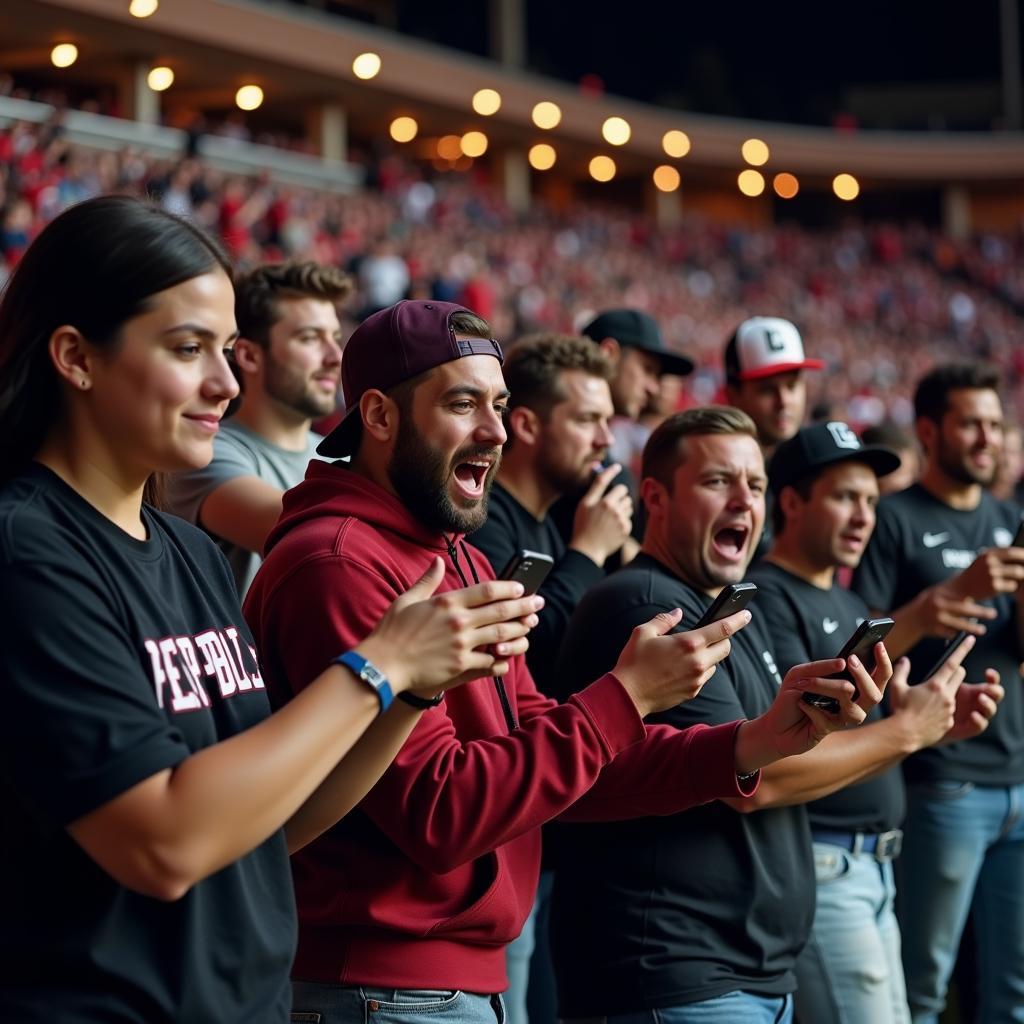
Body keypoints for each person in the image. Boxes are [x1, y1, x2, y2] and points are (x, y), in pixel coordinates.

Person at [242, 300, 865, 1024]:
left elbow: (548, 744)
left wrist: (749, 743)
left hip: (448, 985)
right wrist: (624, 697)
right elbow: (439, 811)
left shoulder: (457, 551)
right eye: (463, 403)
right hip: (379, 988)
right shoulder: (339, 562)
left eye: (501, 405)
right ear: (378, 416)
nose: (496, 431)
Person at [0, 198, 544, 1023]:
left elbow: (278, 820)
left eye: (226, 350)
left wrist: (418, 685)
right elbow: (165, 840)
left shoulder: (184, 551)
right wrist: (378, 668)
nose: (226, 381)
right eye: (189, 349)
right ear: (76, 357)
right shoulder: (27, 552)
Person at [546, 406, 888, 1024]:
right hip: (674, 978)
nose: (743, 501)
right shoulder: (649, 606)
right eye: (716, 482)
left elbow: (764, 755)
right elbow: (752, 787)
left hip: (733, 977)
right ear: (655, 496)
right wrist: (908, 734)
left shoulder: (724, 604)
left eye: (754, 486)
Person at [748, 421, 1002, 1024]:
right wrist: (909, 729)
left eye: (870, 500)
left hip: (876, 870)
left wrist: (934, 722)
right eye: (843, 497)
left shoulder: (850, 602)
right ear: (790, 503)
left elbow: (865, 743)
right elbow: (784, 759)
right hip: (825, 868)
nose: (864, 517)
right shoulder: (768, 600)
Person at [468, 333, 632, 1024]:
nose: (607, 438)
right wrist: (589, 554)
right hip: (493, 815)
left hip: (548, 810)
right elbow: (529, 653)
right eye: (589, 419)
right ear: (527, 425)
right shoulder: (480, 520)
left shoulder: (554, 520)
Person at [852, 362, 1024, 1024]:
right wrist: (952, 597)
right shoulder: (890, 521)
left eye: (994, 424)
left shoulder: (1011, 518)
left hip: (1016, 777)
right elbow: (858, 647)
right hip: (941, 784)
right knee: (922, 988)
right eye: (970, 425)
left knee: (1010, 994)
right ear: (929, 430)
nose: (986, 438)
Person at [166, 260, 350, 595]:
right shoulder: (206, 451)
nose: (335, 356)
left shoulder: (344, 459)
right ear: (249, 356)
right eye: (310, 338)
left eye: (335, 338)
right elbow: (316, 536)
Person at [549, 309, 695, 561]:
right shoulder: (557, 459)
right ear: (609, 354)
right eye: (647, 369)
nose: (654, 388)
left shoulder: (613, 471)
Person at [724, 316, 824, 559]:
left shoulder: (816, 468)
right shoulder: (715, 474)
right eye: (767, 389)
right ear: (733, 394)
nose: (784, 402)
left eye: (792, 386)